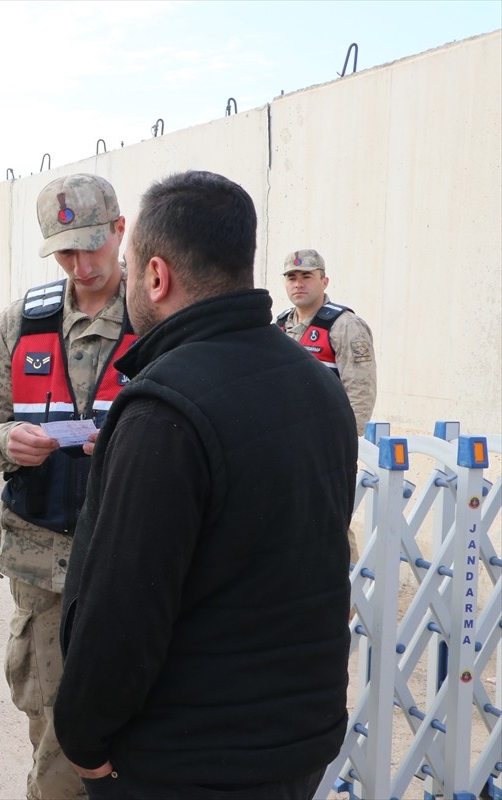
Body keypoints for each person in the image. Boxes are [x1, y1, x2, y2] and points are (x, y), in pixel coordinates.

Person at [55, 171, 355, 799]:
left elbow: (124, 613)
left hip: (188, 761)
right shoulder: (318, 387)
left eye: (132, 268)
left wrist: (84, 744)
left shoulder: (165, 409)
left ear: (156, 276)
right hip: (298, 746)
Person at [0, 173, 136, 800]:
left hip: (134, 561)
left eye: (93, 246)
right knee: (54, 736)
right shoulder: (21, 323)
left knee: (135, 732)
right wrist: (7, 443)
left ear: (121, 231)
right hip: (44, 571)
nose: (82, 265)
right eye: (65, 252)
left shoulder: (158, 317)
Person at [278, 248, 377, 434]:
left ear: (324, 282)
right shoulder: (280, 325)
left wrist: (349, 439)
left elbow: (361, 390)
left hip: (327, 435)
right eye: (292, 278)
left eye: (306, 276)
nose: (298, 284)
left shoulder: (346, 325)